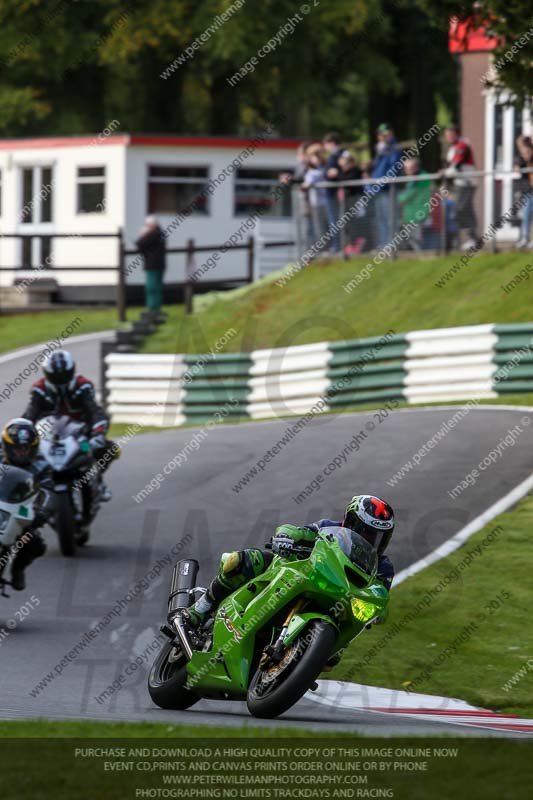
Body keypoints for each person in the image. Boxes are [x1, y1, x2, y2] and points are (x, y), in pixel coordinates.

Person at [183, 494, 395, 652]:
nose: (371, 541)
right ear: (350, 523)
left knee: (335, 651)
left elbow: (380, 595)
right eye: (367, 532)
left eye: (379, 537)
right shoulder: (327, 528)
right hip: (296, 574)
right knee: (240, 561)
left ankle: (304, 658)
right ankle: (200, 609)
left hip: (336, 600)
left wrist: (377, 612)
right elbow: (297, 531)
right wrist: (285, 536)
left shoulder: (383, 567)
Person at [22, 350, 119, 503]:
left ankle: (98, 480)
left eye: (64, 375)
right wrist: (23, 434)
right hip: (48, 440)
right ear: (47, 373)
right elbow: (29, 416)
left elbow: (95, 412)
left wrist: (98, 433)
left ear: (72, 370)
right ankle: (31, 492)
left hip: (80, 440)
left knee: (110, 449)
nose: (60, 380)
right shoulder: (39, 390)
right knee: (24, 456)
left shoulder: (82, 387)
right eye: (56, 376)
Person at [0, 418, 54, 590]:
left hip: (20, 513)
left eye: (25, 449)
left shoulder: (42, 466)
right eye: (17, 449)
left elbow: (48, 492)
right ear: (7, 446)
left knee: (34, 544)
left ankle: (18, 570)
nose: (21, 453)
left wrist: (42, 511)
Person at [443, 124, 477, 251]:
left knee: (461, 209)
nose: (448, 137)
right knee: (464, 210)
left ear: (457, 134)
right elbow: (450, 167)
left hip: (466, 183)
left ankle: (472, 238)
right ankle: (472, 238)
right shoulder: (452, 148)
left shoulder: (462, 145)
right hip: (459, 184)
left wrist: (445, 173)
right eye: (446, 135)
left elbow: (456, 165)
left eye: (451, 134)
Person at [370, 123, 403, 249]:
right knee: (381, 218)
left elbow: (393, 166)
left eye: (384, 134)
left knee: (390, 218)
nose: (381, 137)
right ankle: (384, 244)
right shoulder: (381, 149)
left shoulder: (394, 148)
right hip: (378, 189)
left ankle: (392, 245)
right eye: (380, 134)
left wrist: (384, 151)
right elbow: (377, 169)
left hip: (389, 189)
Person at [397, 158, 432, 251]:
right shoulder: (415, 177)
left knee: (416, 238)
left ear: (416, 167)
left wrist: (397, 199)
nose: (406, 171)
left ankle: (421, 255)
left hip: (417, 213)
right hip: (413, 213)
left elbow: (408, 195)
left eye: (409, 168)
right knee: (412, 237)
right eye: (406, 169)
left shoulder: (419, 178)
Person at [135, 215, 167, 315]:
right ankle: (156, 309)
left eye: (147, 225)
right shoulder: (160, 233)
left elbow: (140, 243)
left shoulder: (154, 234)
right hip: (159, 265)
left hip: (152, 265)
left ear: (151, 225)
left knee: (151, 288)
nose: (146, 227)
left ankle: (152, 309)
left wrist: (142, 235)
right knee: (157, 287)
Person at [300, 144, 329, 250]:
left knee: (321, 229)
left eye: (313, 155)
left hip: (321, 203)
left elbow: (306, 185)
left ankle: (324, 250)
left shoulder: (317, 171)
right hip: (314, 203)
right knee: (316, 228)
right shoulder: (310, 170)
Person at [322, 132, 344, 253]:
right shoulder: (333, 156)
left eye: (326, 144)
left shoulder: (341, 154)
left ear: (332, 143)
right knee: (333, 221)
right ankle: (336, 245)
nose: (325, 148)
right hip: (330, 193)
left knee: (336, 220)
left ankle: (338, 246)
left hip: (336, 193)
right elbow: (326, 173)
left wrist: (335, 173)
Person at [514, 135, 533, 249]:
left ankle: (526, 238)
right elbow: (517, 165)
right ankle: (524, 238)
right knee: (525, 214)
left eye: (526, 151)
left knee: (527, 213)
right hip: (527, 191)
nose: (524, 153)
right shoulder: (520, 159)